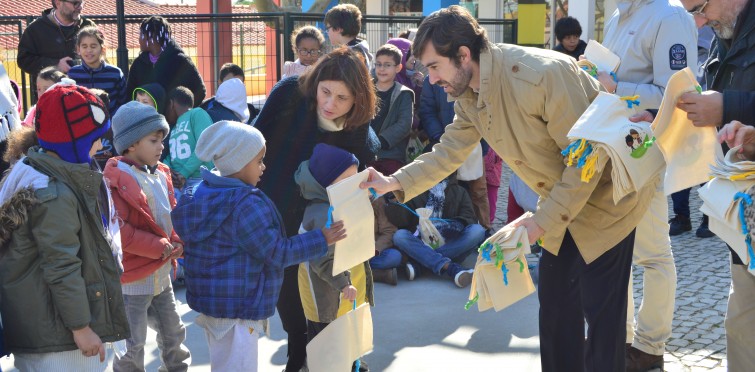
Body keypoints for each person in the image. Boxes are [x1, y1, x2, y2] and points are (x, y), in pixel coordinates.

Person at [361, 6, 656, 371]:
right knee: (556, 310)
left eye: (435, 66)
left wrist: (539, 223)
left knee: (602, 320)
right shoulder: (470, 90)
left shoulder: (542, 75)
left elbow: (586, 162)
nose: (432, 79)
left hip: (610, 203)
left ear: (464, 55)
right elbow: (448, 152)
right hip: (560, 205)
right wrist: (393, 182)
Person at [171, 121, 343, 371]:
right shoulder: (245, 205)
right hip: (238, 309)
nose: (264, 167)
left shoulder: (202, 193)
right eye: (259, 160)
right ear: (238, 162)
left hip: (215, 306)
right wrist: (322, 239)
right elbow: (277, 251)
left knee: (224, 363)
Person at [252, 47, 377, 372]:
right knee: (290, 299)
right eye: (325, 92)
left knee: (331, 300)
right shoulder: (289, 95)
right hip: (279, 210)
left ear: (357, 100)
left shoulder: (358, 123)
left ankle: (341, 360)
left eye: (342, 98)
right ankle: (297, 358)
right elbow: (253, 144)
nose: (330, 104)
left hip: (327, 222)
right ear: (316, 82)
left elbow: (358, 167)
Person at [0, 84, 128, 371]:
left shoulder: (36, 171)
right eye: (95, 138)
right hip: (62, 342)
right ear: (74, 142)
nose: (100, 146)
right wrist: (81, 327)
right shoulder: (53, 193)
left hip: (51, 333)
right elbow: (61, 266)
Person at [600, 2, 697, 370]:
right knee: (614, 249)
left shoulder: (669, 16)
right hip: (611, 147)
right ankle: (620, 337)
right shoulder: (616, 15)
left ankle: (649, 348)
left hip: (645, 148)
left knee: (653, 252)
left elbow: (680, 91)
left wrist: (616, 86)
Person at [676, 0, 755, 369]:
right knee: (742, 322)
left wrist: (728, 105)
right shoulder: (725, 30)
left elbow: (729, 104)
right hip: (742, 203)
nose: (698, 21)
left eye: (700, 7)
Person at [104, 101, 191, 372]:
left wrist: (176, 239)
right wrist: (159, 246)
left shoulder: (162, 173)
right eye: (154, 140)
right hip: (133, 281)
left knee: (174, 335)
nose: (161, 146)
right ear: (130, 144)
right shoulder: (117, 178)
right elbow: (120, 231)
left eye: (162, 140)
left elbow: (169, 216)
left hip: (161, 275)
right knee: (132, 345)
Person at [294, 144, 373, 372]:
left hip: (342, 288)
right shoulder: (321, 214)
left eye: (354, 177)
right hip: (326, 293)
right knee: (325, 342)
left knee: (346, 333)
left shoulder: (338, 204)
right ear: (326, 183)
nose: (353, 184)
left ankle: (351, 364)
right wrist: (343, 283)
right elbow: (321, 260)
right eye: (345, 180)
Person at [417, 74, 491, 230]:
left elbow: (486, 109)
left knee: (478, 190)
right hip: (443, 145)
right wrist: (440, 138)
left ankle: (484, 231)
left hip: (474, 144)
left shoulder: (470, 74)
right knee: (449, 189)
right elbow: (427, 110)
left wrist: (481, 140)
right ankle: (449, 229)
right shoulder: (432, 79)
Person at [385, 173, 484, 287]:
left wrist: (453, 225)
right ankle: (451, 267)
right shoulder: (415, 190)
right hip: (422, 242)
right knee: (399, 236)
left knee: (478, 231)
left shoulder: (459, 191)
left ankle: (421, 265)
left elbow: (469, 217)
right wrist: (394, 203)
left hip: (451, 242)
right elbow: (402, 220)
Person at [668, 25, 716, 238]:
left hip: (708, 109)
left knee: (708, 167)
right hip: (679, 111)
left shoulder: (714, 32)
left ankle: (710, 218)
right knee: (680, 166)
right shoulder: (674, 26)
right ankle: (681, 217)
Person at [17, 0, 95, 101]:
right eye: (75, 3)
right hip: (49, 100)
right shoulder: (36, 29)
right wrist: (56, 65)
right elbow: (24, 60)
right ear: (58, 3)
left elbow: (100, 57)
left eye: (81, 2)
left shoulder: (88, 26)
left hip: (83, 98)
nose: (80, 7)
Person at [126, 16, 206, 108]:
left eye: (141, 34)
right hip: (146, 120)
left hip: (174, 122)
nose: (139, 39)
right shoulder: (138, 64)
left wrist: (183, 112)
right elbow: (130, 94)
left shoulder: (181, 61)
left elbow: (200, 91)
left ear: (151, 36)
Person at [163, 86, 214, 200]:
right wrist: (167, 170)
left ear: (171, 104)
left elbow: (205, 144)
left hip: (200, 178)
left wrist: (183, 173)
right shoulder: (173, 127)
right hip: (178, 182)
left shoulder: (197, 113)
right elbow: (171, 155)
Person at [370, 44, 414, 175]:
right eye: (378, 64)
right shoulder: (365, 90)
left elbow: (404, 124)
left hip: (390, 155)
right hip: (364, 152)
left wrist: (380, 141)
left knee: (389, 192)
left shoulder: (404, 93)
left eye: (388, 65)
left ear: (398, 68)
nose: (382, 69)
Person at [68, 26, 127, 115]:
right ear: (78, 49)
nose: (88, 50)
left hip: (110, 125)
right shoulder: (72, 74)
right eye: (84, 46)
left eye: (93, 46)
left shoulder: (115, 73)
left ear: (102, 48)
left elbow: (123, 103)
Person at [324, 4, 374, 70]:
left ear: (338, 29)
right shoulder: (359, 51)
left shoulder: (349, 57)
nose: (327, 32)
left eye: (328, 28)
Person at [368, 194, 401, 285]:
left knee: (395, 257)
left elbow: (389, 231)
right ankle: (376, 275)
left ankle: (366, 273)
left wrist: (375, 250)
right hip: (350, 253)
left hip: (371, 251)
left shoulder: (376, 199)